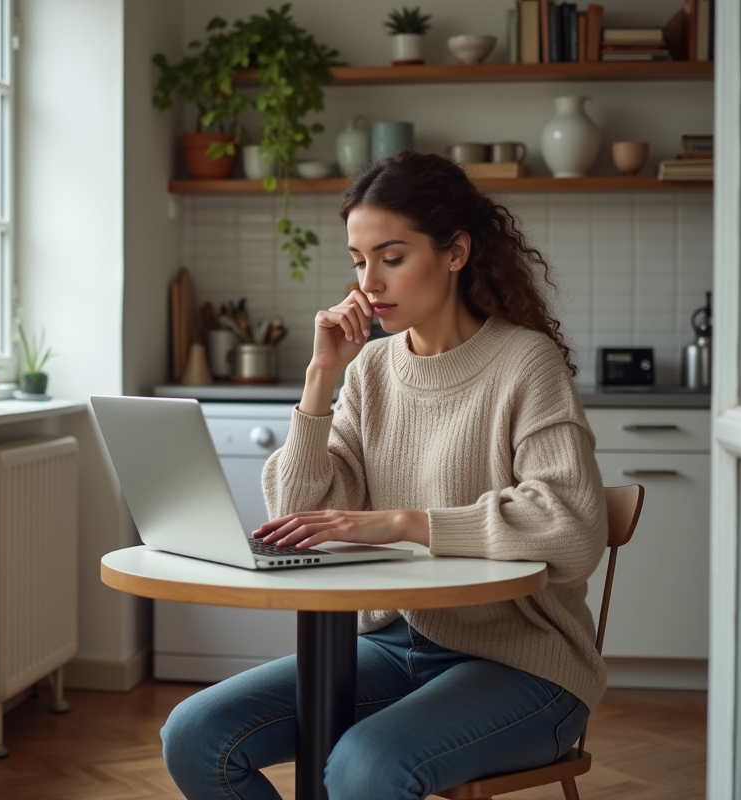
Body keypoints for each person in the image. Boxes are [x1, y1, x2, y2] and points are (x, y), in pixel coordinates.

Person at [160, 150, 609, 800]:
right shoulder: (370, 369)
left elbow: (570, 527)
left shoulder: (524, 363)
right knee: (195, 734)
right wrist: (320, 379)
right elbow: (295, 511)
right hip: (396, 643)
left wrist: (400, 522)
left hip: (524, 664)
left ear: (454, 252)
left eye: (391, 257)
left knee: (364, 768)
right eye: (357, 259)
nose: (368, 281)